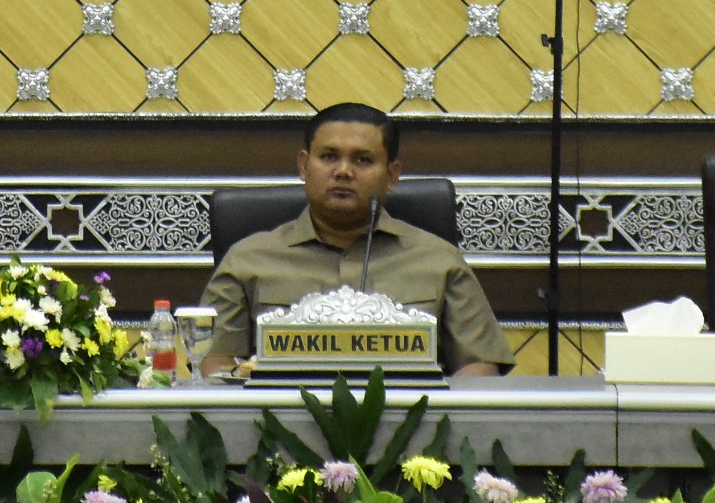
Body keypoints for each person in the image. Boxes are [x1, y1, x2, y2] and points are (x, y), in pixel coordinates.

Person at [201, 102, 512, 378]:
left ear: (392, 175)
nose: (343, 171)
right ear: (303, 166)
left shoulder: (440, 261)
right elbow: (214, 363)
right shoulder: (246, 260)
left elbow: (479, 366)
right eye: (329, 157)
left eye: (363, 160)